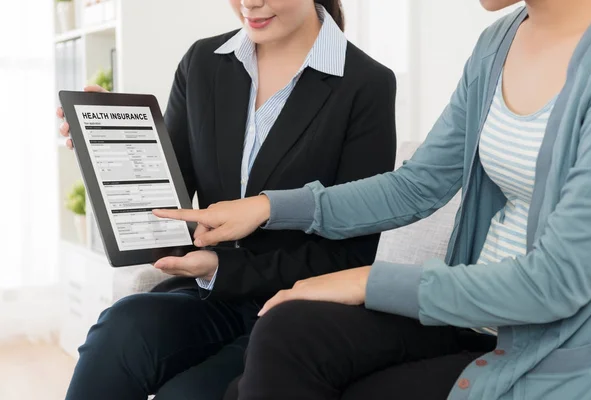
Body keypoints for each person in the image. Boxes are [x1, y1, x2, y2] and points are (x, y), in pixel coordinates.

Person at [154, 0, 591, 398]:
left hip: (554, 346)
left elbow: (556, 283)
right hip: (467, 317)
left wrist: (366, 282)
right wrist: (269, 207)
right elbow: (418, 184)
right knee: (286, 333)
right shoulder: (498, 43)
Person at [57, 1, 397, 399]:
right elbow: (173, 199)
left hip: (298, 312)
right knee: (119, 330)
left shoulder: (365, 83)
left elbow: (354, 255)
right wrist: (107, 142)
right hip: (210, 297)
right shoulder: (202, 63)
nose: (249, 3)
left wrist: (224, 266)